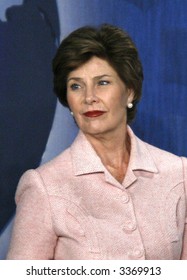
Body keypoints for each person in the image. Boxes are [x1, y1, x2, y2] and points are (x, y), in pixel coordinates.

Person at [7, 24, 187, 260]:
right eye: (76, 86)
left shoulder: (179, 174)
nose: (89, 97)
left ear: (130, 91)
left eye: (102, 82)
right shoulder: (43, 186)